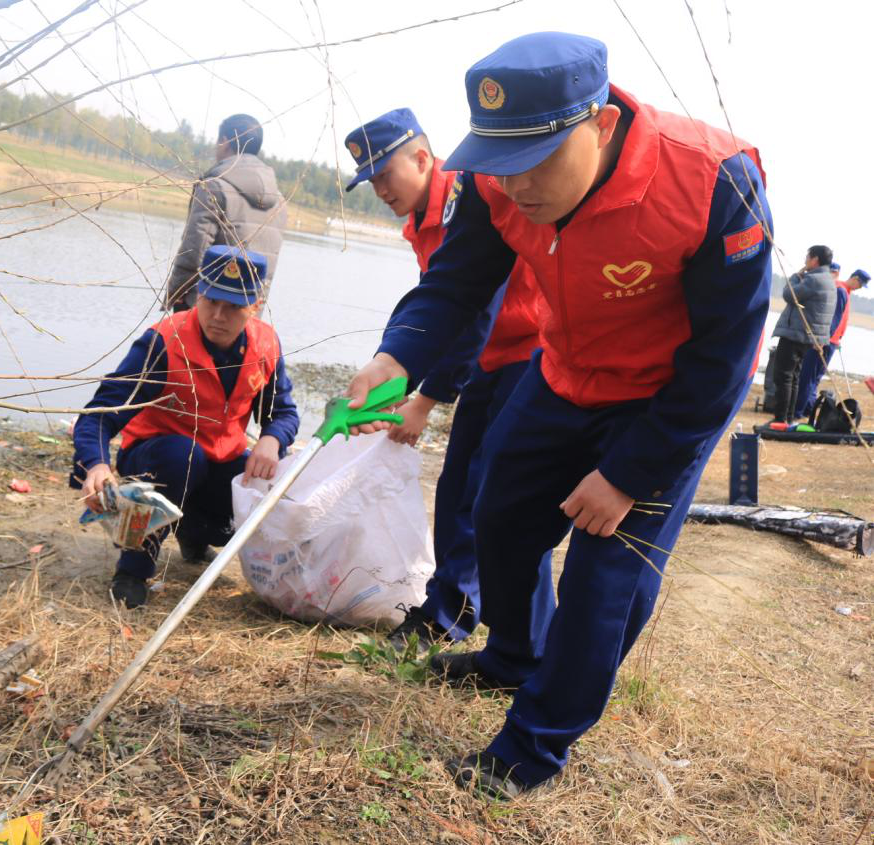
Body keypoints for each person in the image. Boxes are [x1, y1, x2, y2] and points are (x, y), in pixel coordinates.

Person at [346, 32, 772, 798]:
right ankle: (511, 654)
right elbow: (455, 284)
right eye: (500, 164)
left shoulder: (712, 181)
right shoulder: (491, 181)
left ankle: (531, 746)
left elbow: (725, 360)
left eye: (538, 161)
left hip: (664, 397)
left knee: (604, 578)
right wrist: (394, 357)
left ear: (601, 127)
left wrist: (625, 474)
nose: (518, 186)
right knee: (498, 514)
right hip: (563, 373)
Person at [341, 108, 548, 647]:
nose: (380, 189)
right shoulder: (420, 221)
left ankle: (489, 628)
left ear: (422, 157)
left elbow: (478, 308)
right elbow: (438, 313)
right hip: (492, 359)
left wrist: (427, 398)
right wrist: (396, 384)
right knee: (460, 488)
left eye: (386, 173)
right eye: (371, 180)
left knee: (498, 494)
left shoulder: (466, 199)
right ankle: (451, 613)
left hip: (532, 353)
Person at [73, 246, 299, 608]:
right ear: (198, 294)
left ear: (255, 306)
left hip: (217, 462)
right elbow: (101, 413)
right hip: (158, 458)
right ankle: (133, 568)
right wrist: (96, 464)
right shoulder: (163, 341)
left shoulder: (266, 344)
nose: (218, 316)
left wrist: (271, 439)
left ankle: (195, 534)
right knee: (183, 456)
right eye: (211, 301)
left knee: (259, 478)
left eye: (233, 307)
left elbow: (283, 413)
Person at [164, 114, 288, 312]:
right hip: (247, 313)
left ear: (224, 141)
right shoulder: (280, 201)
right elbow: (269, 270)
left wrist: (176, 295)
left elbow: (194, 250)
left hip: (206, 312)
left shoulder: (213, 187)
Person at [769, 245, 837, 426]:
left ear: (815, 259)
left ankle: (780, 419)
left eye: (807, 257)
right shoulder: (829, 280)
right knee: (794, 377)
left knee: (782, 376)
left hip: (795, 335)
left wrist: (794, 278)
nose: (805, 260)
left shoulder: (813, 280)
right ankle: (788, 418)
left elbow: (788, 295)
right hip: (807, 337)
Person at [794, 267, 870, 419]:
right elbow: (832, 319)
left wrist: (838, 338)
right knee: (809, 375)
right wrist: (824, 339)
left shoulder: (846, 291)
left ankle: (808, 408)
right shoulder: (841, 290)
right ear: (855, 278)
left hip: (833, 342)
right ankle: (798, 411)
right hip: (826, 341)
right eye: (860, 284)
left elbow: (840, 320)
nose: (860, 288)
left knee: (815, 376)